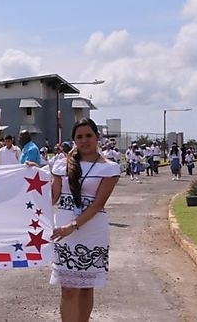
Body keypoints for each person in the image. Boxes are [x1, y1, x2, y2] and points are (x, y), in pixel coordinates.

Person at [49, 118, 120, 322]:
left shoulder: (110, 168)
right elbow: (53, 197)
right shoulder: (61, 165)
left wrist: (74, 225)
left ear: (97, 137)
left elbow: (98, 204)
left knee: (86, 287)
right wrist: (29, 173)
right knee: (69, 290)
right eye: (79, 136)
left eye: (89, 135)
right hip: (63, 234)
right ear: (73, 140)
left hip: (91, 231)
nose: (84, 140)